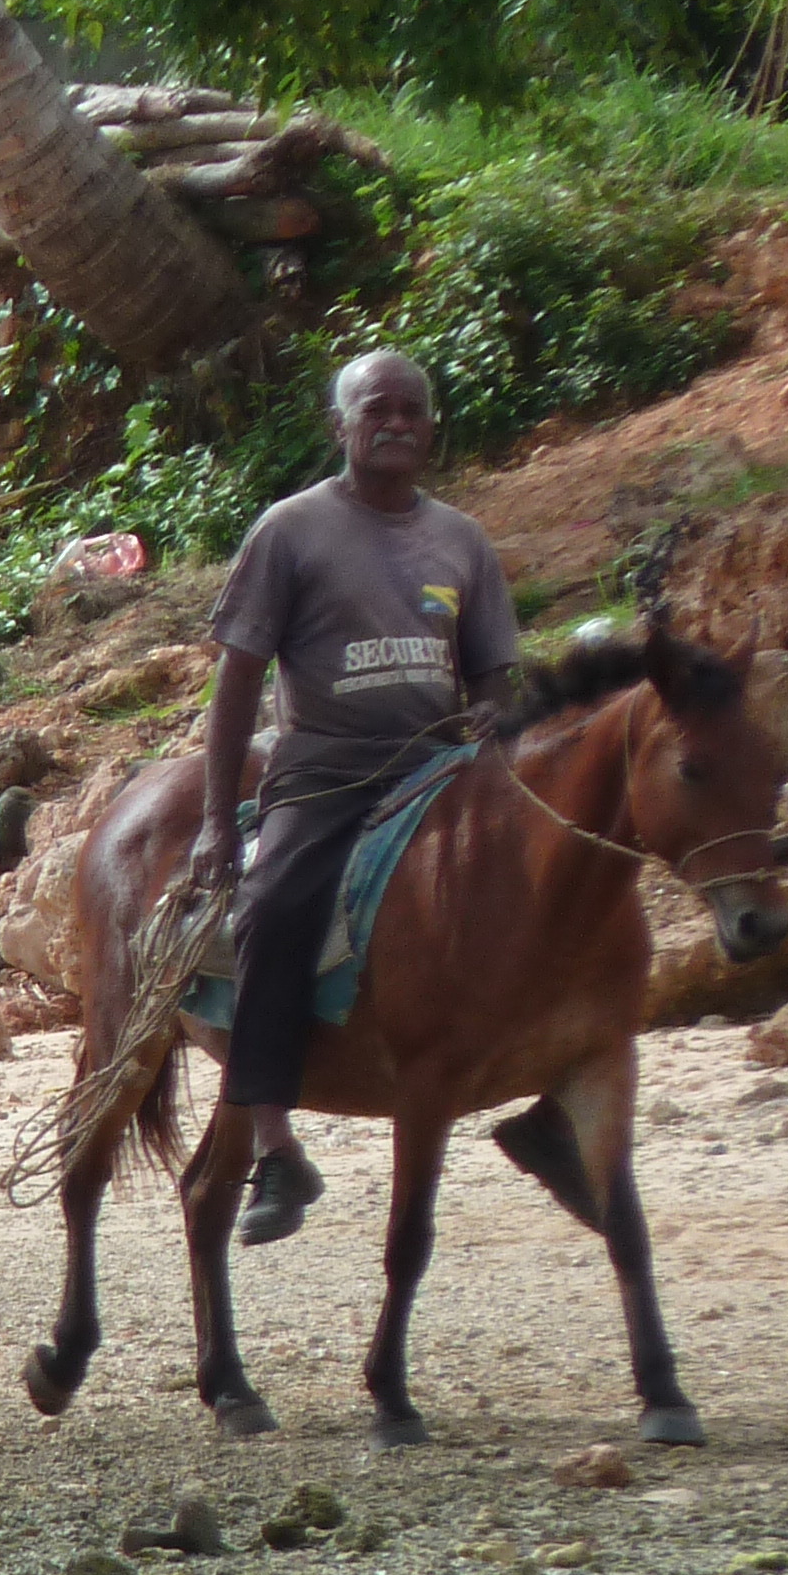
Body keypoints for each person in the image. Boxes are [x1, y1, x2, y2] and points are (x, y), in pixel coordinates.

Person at [190, 350, 519, 1245]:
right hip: (325, 770)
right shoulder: (291, 530)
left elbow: (493, 674)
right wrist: (220, 822)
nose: (398, 424)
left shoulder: (463, 540)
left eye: (414, 410)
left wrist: (489, 730)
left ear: (432, 425)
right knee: (272, 904)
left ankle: (552, 1087)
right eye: (378, 410)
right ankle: (273, 1145)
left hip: (439, 768)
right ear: (340, 427)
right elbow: (238, 680)